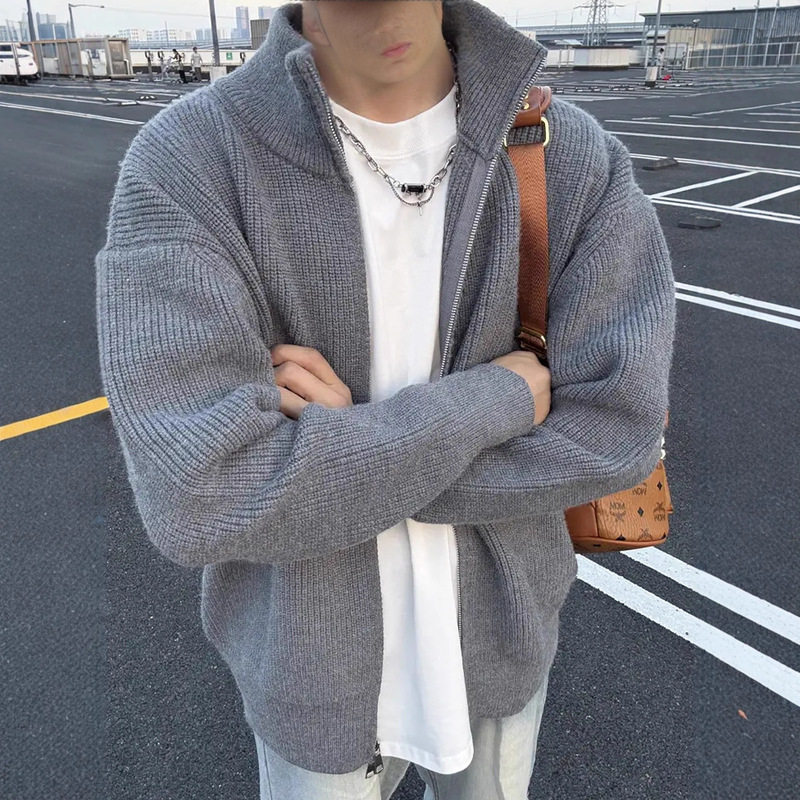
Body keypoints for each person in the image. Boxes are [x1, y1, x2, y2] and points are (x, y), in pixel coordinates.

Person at [95, 2, 675, 799]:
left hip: (502, 648)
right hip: (311, 669)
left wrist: (344, 450)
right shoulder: (194, 161)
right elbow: (198, 496)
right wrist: (499, 397)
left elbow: (619, 429)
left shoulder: (568, 155)